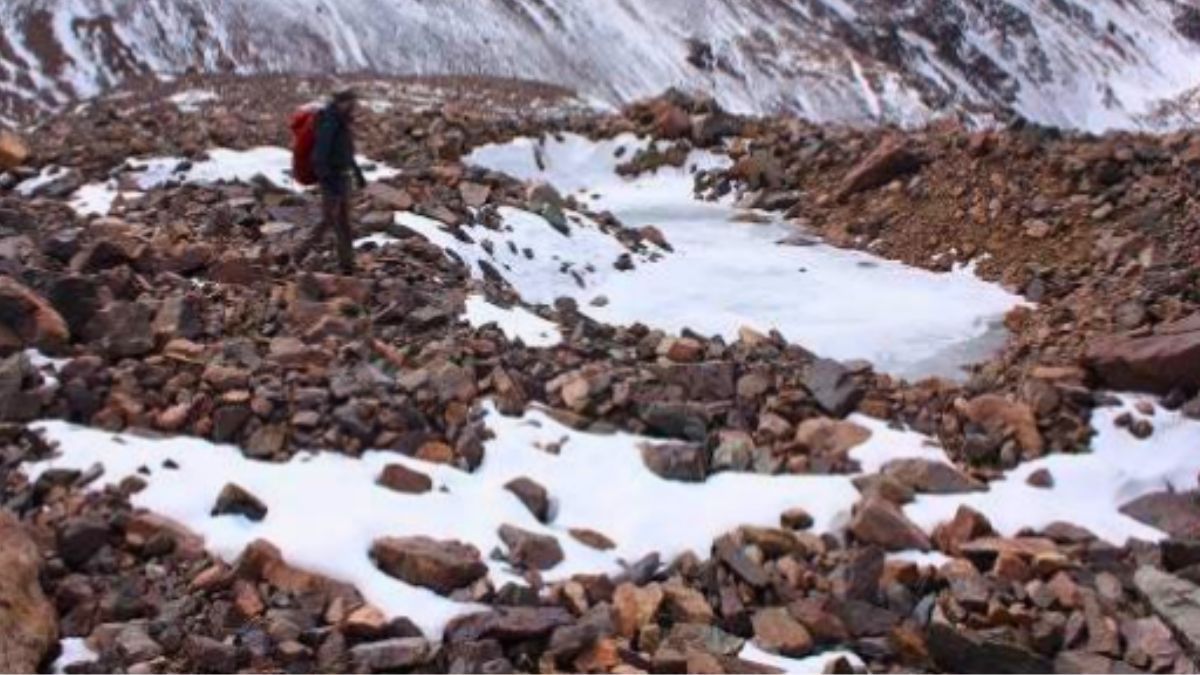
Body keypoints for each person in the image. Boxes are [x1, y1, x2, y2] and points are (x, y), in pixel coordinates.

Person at [295, 87, 367, 274]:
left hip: (342, 178)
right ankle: (298, 255)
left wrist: (358, 175)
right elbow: (320, 156)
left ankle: (348, 266)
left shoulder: (341, 121)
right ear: (343, 103)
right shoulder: (330, 122)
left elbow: (345, 153)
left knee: (343, 223)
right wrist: (329, 182)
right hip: (333, 180)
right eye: (352, 103)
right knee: (328, 220)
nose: (354, 106)